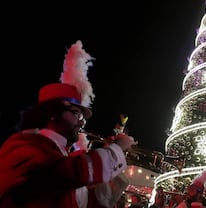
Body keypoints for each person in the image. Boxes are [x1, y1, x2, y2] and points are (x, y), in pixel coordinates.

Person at [0, 40, 137, 207]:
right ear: (51, 113)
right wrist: (115, 150)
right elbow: (66, 173)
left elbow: (92, 201)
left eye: (81, 116)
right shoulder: (23, 145)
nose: (81, 122)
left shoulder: (62, 155)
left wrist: (119, 158)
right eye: (75, 113)